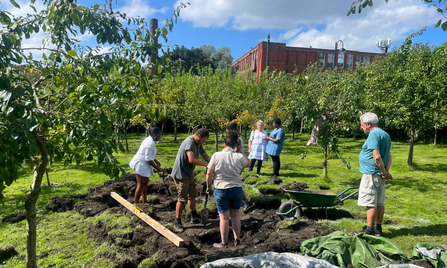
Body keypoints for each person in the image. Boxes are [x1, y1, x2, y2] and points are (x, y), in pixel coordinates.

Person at [206, 131, 250, 248]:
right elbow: (249, 164)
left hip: (221, 189)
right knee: (235, 215)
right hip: (236, 189)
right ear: (236, 144)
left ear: (224, 144)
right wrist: (240, 150)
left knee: (224, 217)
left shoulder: (216, 155)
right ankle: (237, 240)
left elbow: (209, 172)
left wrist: (208, 186)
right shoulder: (239, 156)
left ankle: (224, 242)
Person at [354, 112, 392, 237]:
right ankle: (378, 228)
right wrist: (386, 172)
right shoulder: (385, 134)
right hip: (380, 175)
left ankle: (369, 230)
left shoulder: (373, 134)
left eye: (362, 125)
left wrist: (383, 171)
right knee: (379, 202)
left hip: (371, 174)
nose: (361, 127)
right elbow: (389, 155)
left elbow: (376, 157)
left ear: (368, 124)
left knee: (370, 202)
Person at [171, 128, 211, 232]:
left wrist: (212, 163)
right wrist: (206, 165)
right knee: (182, 199)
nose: (204, 142)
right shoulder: (189, 142)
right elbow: (191, 159)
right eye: (203, 140)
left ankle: (194, 216)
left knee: (192, 196)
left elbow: (205, 155)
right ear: (198, 136)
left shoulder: (198, 143)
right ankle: (177, 221)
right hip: (181, 174)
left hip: (189, 174)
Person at [129, 126, 163, 205]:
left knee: (145, 184)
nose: (160, 137)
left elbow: (149, 154)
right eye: (159, 135)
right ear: (155, 135)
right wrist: (157, 168)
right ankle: (135, 204)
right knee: (140, 185)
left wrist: (156, 161)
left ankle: (145, 202)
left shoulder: (149, 140)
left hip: (143, 165)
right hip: (141, 165)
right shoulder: (150, 143)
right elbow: (148, 159)